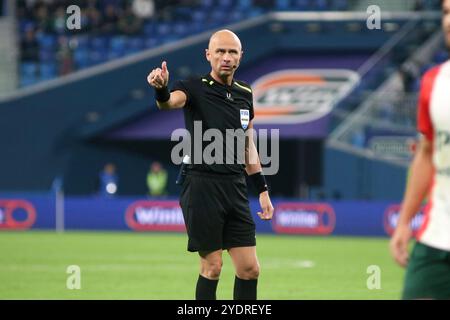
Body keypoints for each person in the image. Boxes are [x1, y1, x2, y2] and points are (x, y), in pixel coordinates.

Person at [146, 29, 274, 300]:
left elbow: (247, 144)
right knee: (212, 266)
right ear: (208, 55)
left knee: (250, 268)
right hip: (202, 186)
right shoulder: (192, 86)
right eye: (220, 51)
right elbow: (169, 103)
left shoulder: (245, 93)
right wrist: (161, 88)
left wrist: (262, 189)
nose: (226, 57)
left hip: (236, 187)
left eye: (232, 52)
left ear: (240, 56)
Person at [390, 0, 450, 300]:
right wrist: (404, 223)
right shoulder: (434, 82)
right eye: (447, 12)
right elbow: (426, 153)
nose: (449, 21)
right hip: (436, 237)